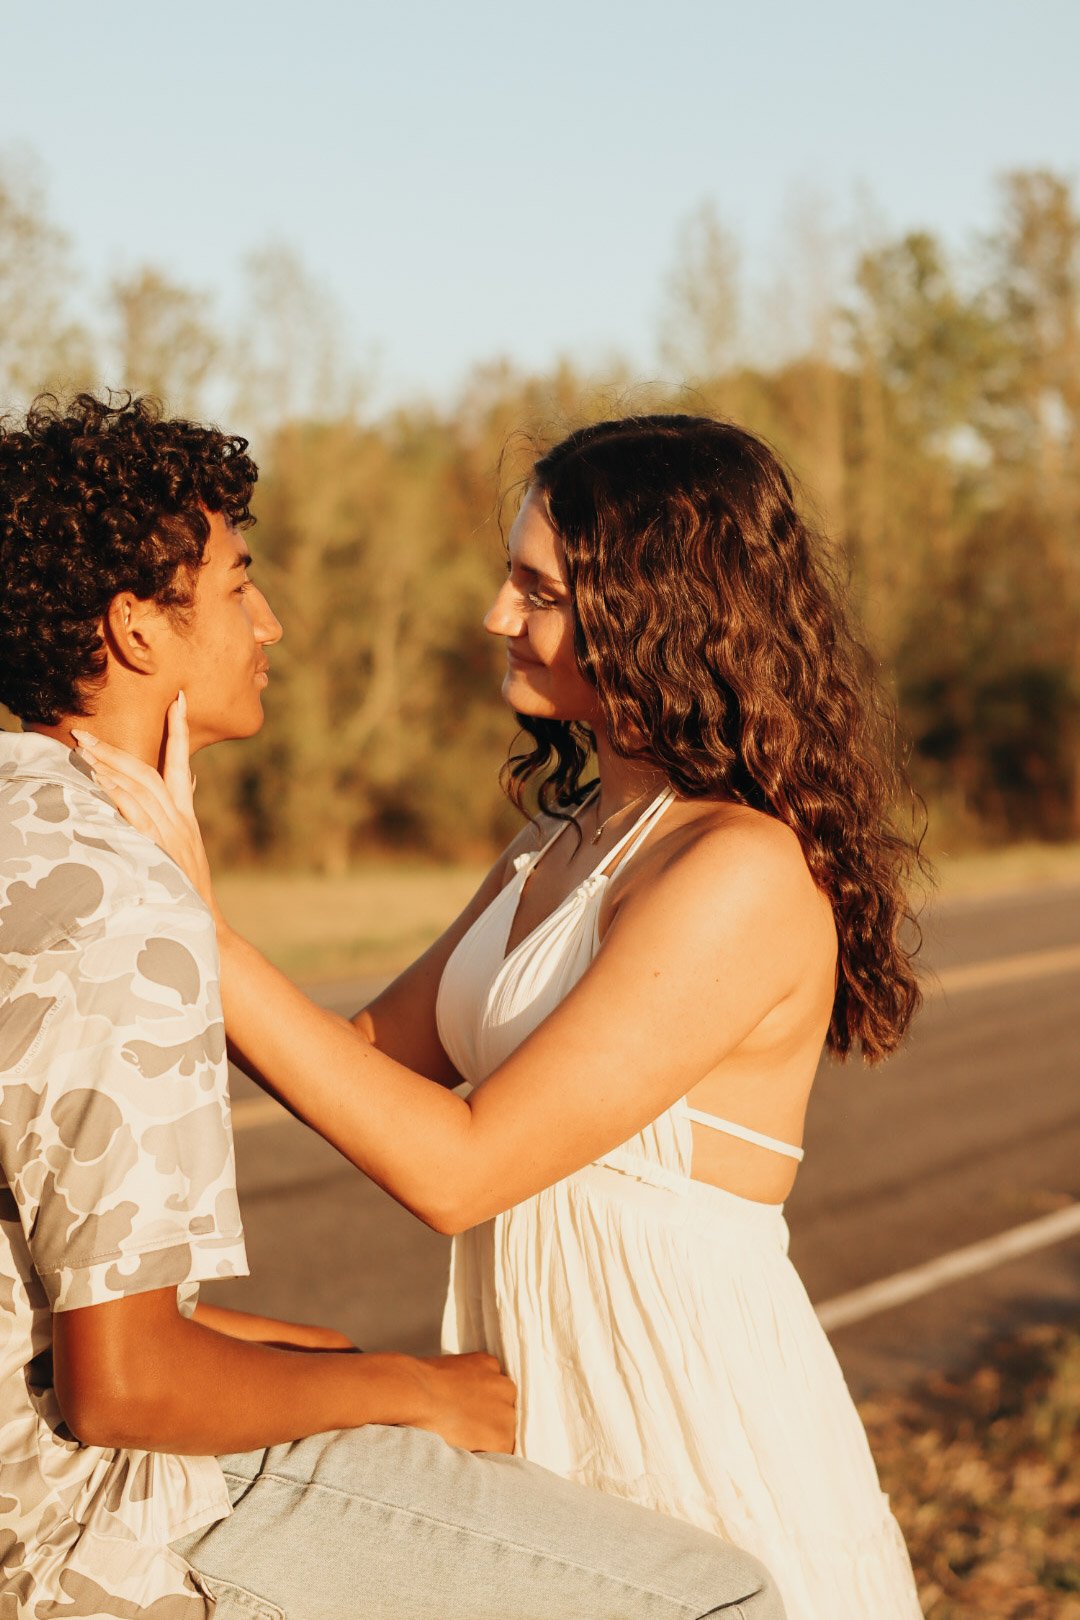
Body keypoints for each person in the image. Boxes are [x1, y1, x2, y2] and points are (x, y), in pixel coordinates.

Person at [80, 413, 926, 1620]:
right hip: (532, 1383)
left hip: (680, 1398)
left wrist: (199, 926)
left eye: (538, 589)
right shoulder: (555, 847)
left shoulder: (740, 871)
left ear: (659, 612)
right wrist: (143, 928)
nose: (495, 614)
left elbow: (458, 1168)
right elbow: (357, 1064)